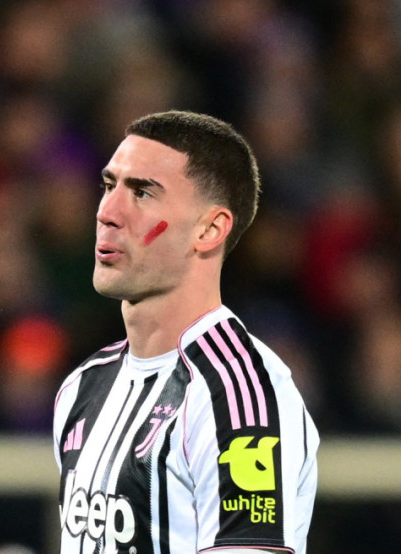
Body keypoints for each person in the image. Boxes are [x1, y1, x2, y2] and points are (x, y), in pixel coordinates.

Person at [53, 111, 319, 553]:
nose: (107, 212)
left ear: (210, 229)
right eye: (108, 186)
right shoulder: (84, 385)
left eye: (142, 192)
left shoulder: (237, 395)